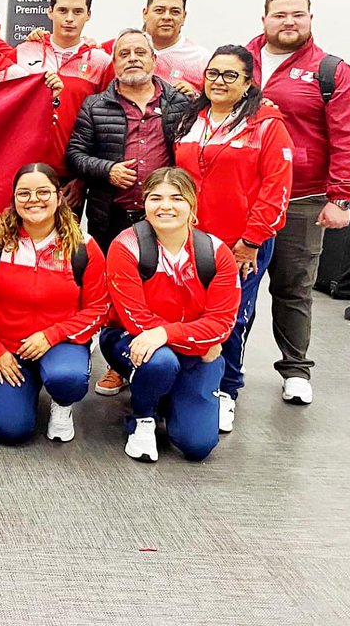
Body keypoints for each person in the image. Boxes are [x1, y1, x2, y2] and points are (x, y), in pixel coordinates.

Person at [244, 0, 350, 406]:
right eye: (280, 14)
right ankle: (228, 367)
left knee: (294, 287)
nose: (289, 22)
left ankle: (295, 369)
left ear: (311, 19)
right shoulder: (240, 63)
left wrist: (341, 197)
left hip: (303, 199)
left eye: (298, 15)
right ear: (263, 20)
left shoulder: (331, 71)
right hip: (245, 198)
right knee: (234, 287)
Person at [173, 45, 293, 432]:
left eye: (230, 75)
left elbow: (276, 187)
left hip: (243, 243)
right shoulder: (192, 120)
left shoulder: (267, 124)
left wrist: (252, 240)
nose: (219, 82)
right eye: (213, 73)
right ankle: (193, 382)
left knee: (233, 318)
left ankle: (227, 390)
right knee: (193, 313)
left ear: (247, 82)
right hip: (192, 239)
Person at [66, 29, 190, 397]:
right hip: (114, 218)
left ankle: (166, 357)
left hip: (166, 220)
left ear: (154, 60)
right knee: (115, 295)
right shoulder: (95, 105)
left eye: (140, 52)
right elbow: (75, 155)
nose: (132, 58)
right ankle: (119, 366)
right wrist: (106, 170)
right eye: (124, 53)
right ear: (114, 63)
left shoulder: (180, 104)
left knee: (163, 292)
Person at [100, 168, 240, 463]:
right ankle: (143, 418)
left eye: (176, 198)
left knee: (197, 445)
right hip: (134, 341)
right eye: (155, 198)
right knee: (160, 362)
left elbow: (222, 323)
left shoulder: (216, 252)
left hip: (187, 347)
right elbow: (134, 320)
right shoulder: (125, 247)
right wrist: (201, 340)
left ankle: (168, 396)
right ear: (145, 205)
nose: (166, 206)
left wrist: (167, 333)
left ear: (192, 205)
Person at [0, 163, 109, 444]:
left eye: (43, 192)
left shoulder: (83, 246)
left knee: (66, 378)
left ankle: (62, 404)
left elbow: (98, 309)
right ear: (14, 199)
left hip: (60, 345)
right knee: (10, 431)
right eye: (24, 193)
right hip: (7, 349)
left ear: (59, 197)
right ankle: (18, 393)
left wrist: (51, 335)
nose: (34, 200)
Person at [14, 0, 113, 186]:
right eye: (62, 10)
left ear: (88, 15)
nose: (69, 19)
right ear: (50, 12)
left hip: (71, 174)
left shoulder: (101, 61)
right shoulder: (23, 51)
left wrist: (83, 179)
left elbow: (105, 124)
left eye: (77, 12)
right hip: (24, 167)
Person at [102, 0, 210, 95]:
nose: (167, 17)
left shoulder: (201, 59)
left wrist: (195, 97)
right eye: (159, 10)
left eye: (175, 12)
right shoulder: (113, 49)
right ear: (145, 13)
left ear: (184, 17)